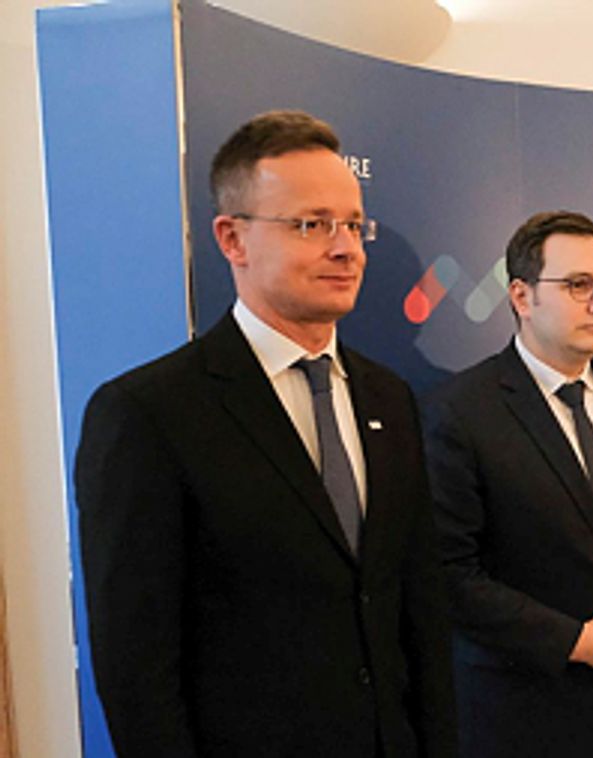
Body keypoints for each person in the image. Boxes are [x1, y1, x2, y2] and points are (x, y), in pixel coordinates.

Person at [75, 110, 455, 756]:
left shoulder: (387, 395)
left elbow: (418, 606)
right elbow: (137, 666)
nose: (346, 248)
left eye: (353, 225)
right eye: (311, 224)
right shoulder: (148, 412)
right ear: (232, 239)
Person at [423, 211, 593, 756]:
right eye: (578, 285)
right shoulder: (461, 411)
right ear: (522, 297)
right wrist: (578, 641)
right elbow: (449, 572)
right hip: (526, 714)